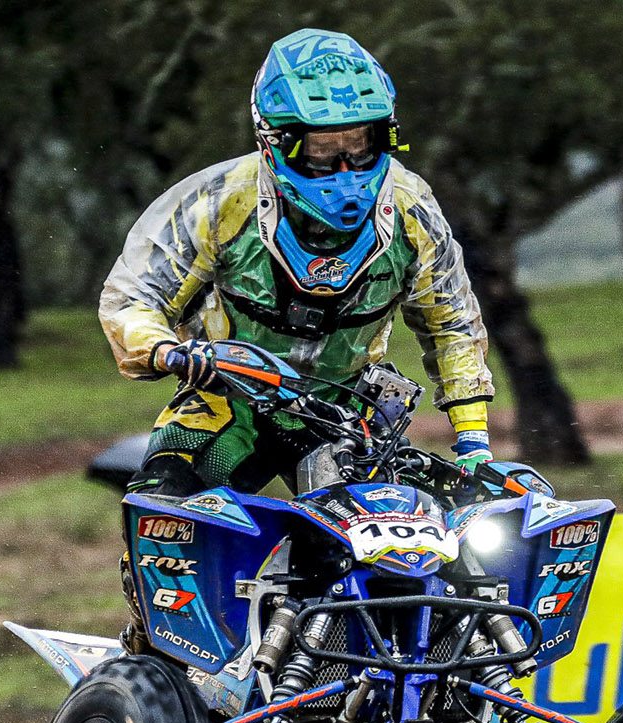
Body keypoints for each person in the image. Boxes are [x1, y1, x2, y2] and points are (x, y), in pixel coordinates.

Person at [99, 29, 496, 647]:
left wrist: (473, 443)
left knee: (428, 562)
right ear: (275, 142)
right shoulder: (216, 201)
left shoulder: (413, 209)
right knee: (161, 520)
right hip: (228, 406)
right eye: (322, 150)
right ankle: (157, 663)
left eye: (359, 145)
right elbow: (130, 296)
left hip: (346, 418)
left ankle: (409, 681)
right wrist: (164, 348)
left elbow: (455, 325)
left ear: (385, 135)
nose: (345, 168)